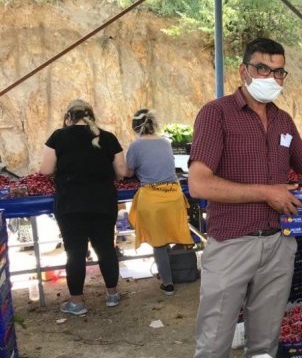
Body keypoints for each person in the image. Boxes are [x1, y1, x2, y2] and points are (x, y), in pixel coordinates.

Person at [172, 38, 302, 358]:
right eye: (263, 69)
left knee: (265, 344)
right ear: (244, 71)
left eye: (279, 71)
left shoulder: (283, 120)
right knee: (213, 347)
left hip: (278, 246)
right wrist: (266, 191)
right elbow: (199, 184)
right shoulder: (216, 114)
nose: (271, 78)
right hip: (230, 246)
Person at [39, 99, 127, 315]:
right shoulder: (107, 137)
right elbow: (121, 172)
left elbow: (46, 170)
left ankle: (77, 303)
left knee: (75, 252)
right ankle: (112, 295)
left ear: (69, 117)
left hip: (71, 204)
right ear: (91, 116)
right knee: (106, 248)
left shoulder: (58, 137)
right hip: (103, 202)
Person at [125, 109, 193, 295]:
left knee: (159, 243)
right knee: (170, 234)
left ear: (135, 127)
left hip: (153, 199)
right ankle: (175, 271)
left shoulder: (135, 145)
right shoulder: (165, 142)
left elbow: (128, 172)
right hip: (174, 196)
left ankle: (167, 283)